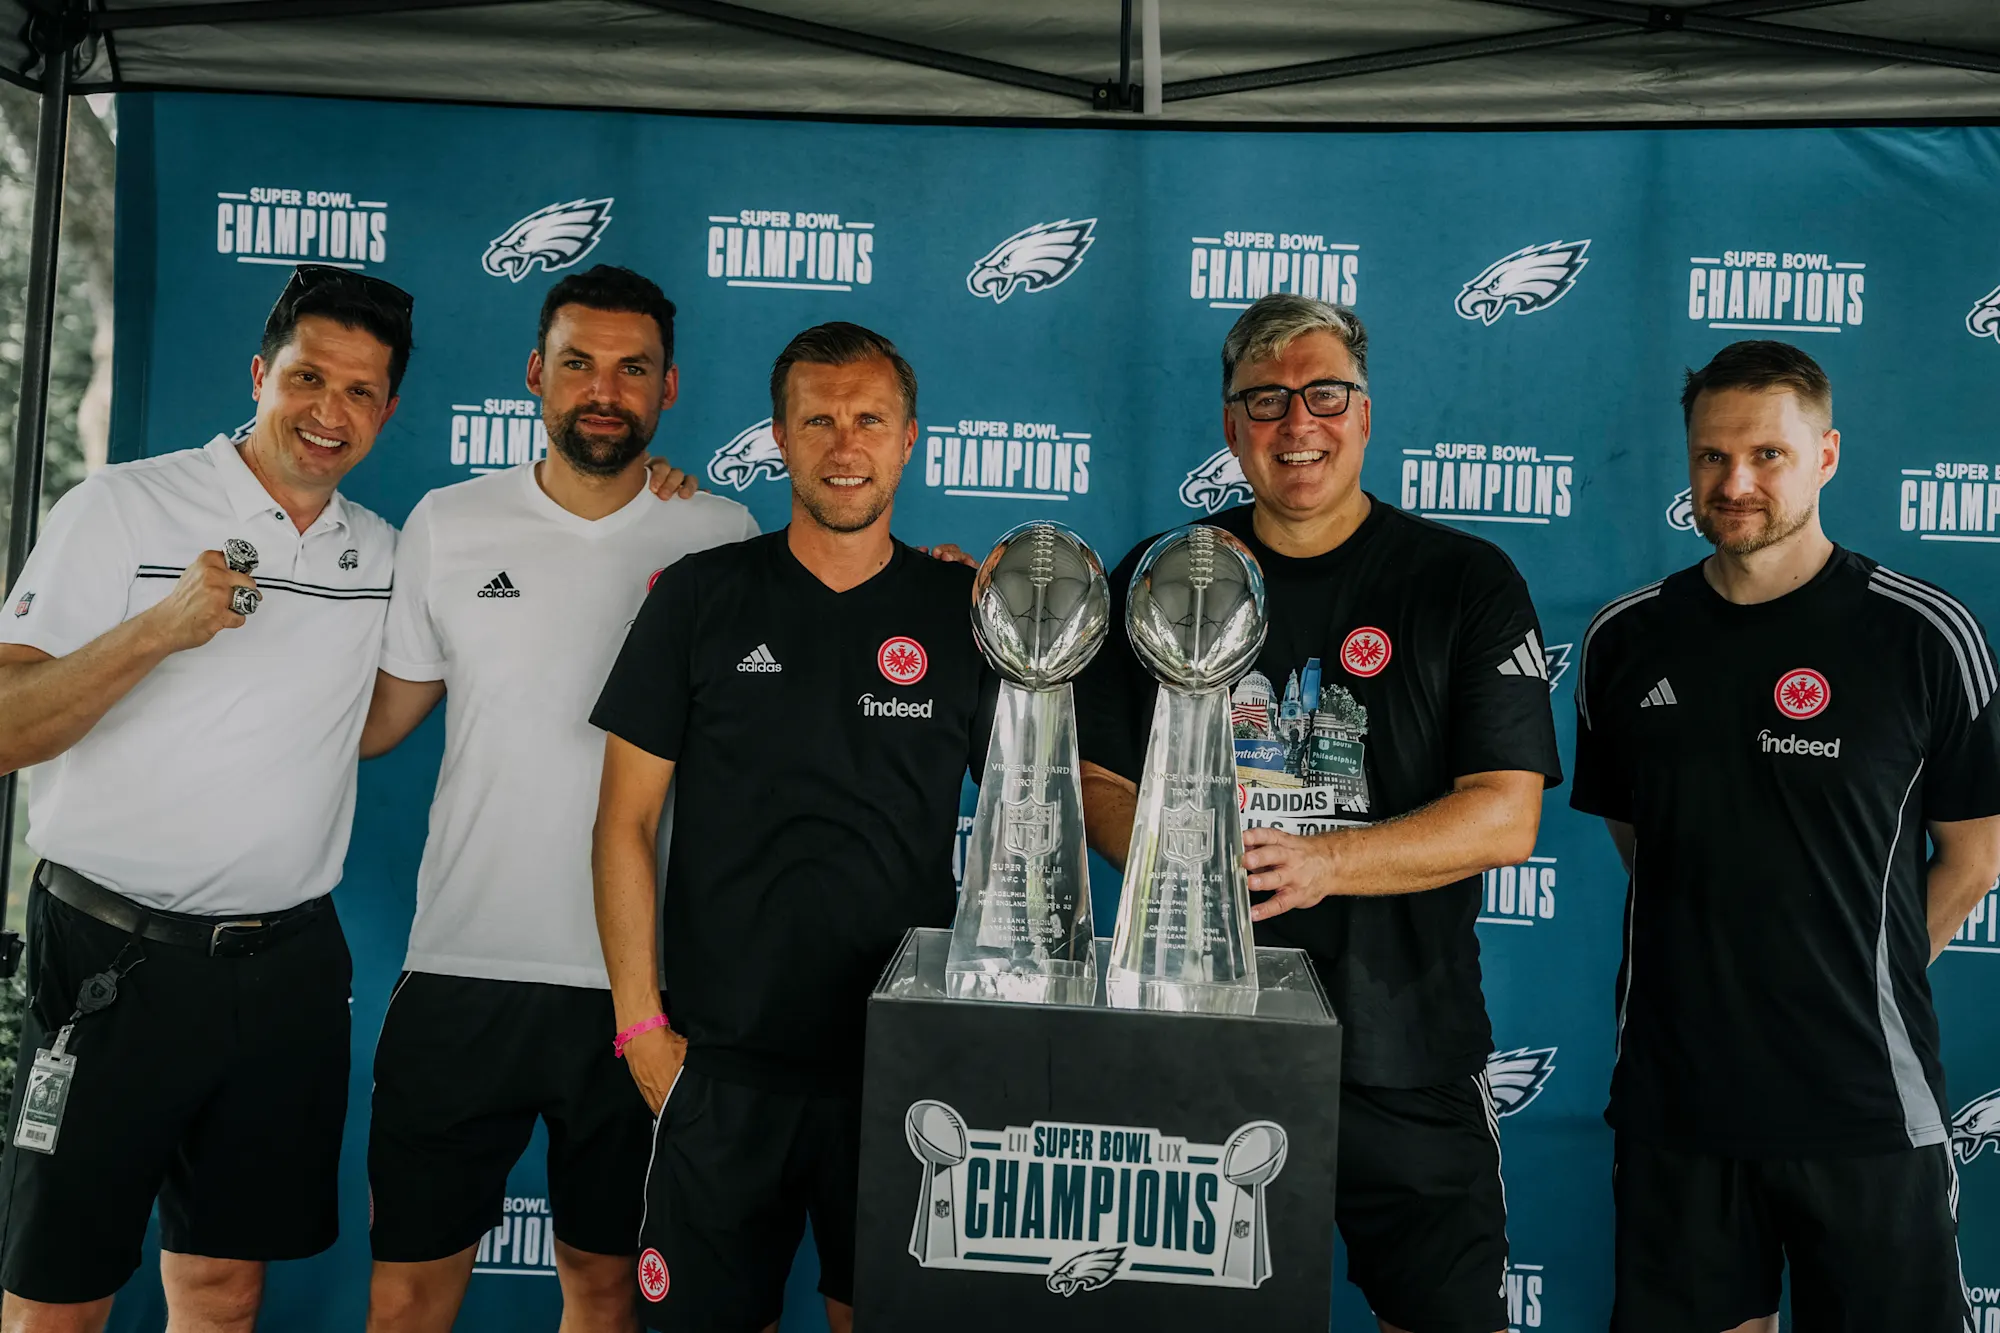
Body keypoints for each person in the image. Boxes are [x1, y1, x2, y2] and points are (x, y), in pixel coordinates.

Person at [1074, 293, 1561, 1333]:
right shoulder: (1166, 577)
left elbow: (1504, 815)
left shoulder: (1462, 580)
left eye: (1324, 394)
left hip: (1408, 1045)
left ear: (1364, 413)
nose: (1297, 422)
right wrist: (1177, 859)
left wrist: (1322, 862)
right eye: (1265, 400)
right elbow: (1095, 779)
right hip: (1200, 1042)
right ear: (1230, 424)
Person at [0, 264, 413, 1333]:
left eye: (360, 391)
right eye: (308, 377)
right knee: (56, 1293)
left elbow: (367, 722)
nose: (330, 411)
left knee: (226, 1289)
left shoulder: (381, 551)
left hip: (285, 968)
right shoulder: (123, 505)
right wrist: (160, 629)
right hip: (111, 957)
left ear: (386, 411)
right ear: (260, 375)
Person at [1570, 340, 2000, 1333]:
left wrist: (1855, 970)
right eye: (1711, 457)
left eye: (1767, 454)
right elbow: (1645, 843)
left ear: (1826, 456)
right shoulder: (1624, 640)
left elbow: (1976, 856)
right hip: (1678, 1108)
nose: (1735, 483)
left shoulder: (1923, 636)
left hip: (1864, 1105)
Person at [357, 265, 756, 1333]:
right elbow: (376, 718)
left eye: (633, 368)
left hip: (637, 988)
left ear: (669, 388)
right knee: (404, 1299)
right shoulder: (448, 522)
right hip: (462, 966)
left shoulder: (718, 533)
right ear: (535, 372)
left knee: (606, 1287)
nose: (603, 390)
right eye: (578, 362)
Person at [590, 321, 997, 1333]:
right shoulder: (701, 596)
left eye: (870, 420)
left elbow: (1032, 822)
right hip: (719, 1063)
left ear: (909, 438)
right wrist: (641, 1028)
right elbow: (624, 821)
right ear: (777, 436)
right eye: (818, 420)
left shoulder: (966, 611)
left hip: (901, 1066)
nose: (844, 444)